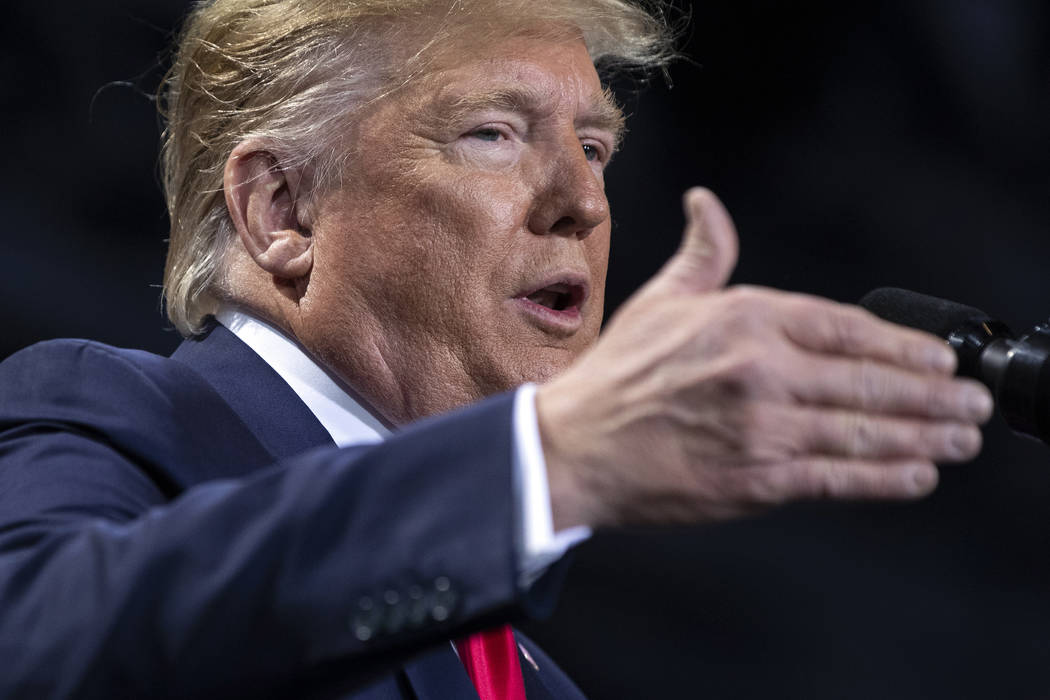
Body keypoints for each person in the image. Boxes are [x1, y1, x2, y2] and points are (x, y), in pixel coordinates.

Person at [0, 0, 994, 698]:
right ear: (284, 210)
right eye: (493, 133)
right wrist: (550, 461)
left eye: (595, 146)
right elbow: (39, 646)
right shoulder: (111, 412)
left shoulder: (532, 678)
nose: (586, 200)